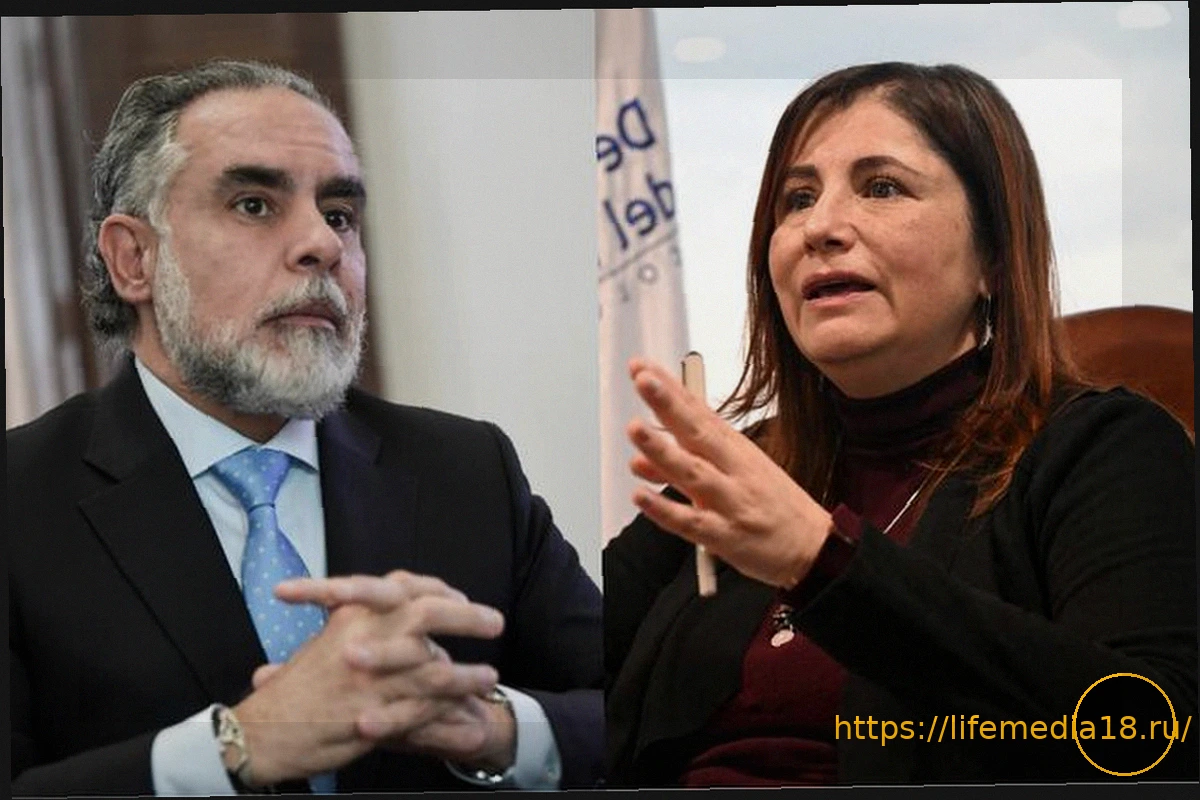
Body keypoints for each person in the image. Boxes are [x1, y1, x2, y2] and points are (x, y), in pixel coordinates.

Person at [8, 60, 602, 795]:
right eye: (255, 205)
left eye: (340, 214)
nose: (321, 244)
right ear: (135, 259)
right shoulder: (20, 499)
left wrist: (495, 729)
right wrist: (235, 748)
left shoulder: (467, 469)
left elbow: (635, 714)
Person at [604, 62, 1196, 785]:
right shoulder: (747, 467)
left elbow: (1152, 733)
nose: (820, 228)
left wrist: (824, 563)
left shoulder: (1103, 449)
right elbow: (566, 654)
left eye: (882, 187)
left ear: (994, 257)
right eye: (797, 199)